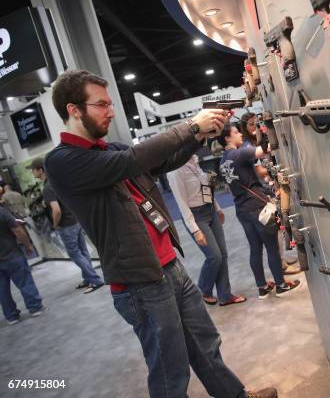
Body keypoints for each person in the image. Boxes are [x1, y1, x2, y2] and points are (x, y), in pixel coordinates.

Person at [44, 69, 276, 398]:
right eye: (101, 105)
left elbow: (161, 160)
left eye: (111, 103)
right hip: (139, 282)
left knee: (205, 345)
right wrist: (191, 126)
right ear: (73, 109)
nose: (110, 111)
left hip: (169, 265)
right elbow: (133, 160)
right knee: (170, 372)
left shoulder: (108, 150)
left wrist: (199, 135)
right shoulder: (62, 161)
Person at [217, 123, 302, 299]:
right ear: (227, 138)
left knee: (255, 248)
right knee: (271, 246)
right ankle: (280, 284)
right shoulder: (239, 153)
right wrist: (265, 132)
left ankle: (262, 287)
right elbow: (267, 149)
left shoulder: (222, 161)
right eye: (235, 132)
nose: (240, 134)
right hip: (256, 206)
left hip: (241, 208)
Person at [167, 154, 246, 306]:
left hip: (210, 210)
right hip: (196, 216)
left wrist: (217, 207)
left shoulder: (194, 160)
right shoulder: (175, 171)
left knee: (222, 254)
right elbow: (181, 204)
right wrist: (195, 230)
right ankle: (203, 288)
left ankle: (225, 295)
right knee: (214, 256)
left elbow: (205, 187)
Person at [29, 157, 104, 294]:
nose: (32, 173)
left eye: (33, 170)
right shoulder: (57, 181)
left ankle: (95, 279)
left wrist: (55, 225)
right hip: (75, 220)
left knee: (75, 254)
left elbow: (56, 210)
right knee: (82, 251)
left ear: (40, 170)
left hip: (66, 225)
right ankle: (88, 278)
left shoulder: (47, 188)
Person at [238, 113, 301, 275]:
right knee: (275, 229)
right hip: (263, 193)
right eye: (251, 125)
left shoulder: (255, 143)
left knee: (279, 228)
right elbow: (259, 171)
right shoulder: (247, 148)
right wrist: (280, 169)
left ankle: (282, 260)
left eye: (256, 124)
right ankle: (281, 265)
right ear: (244, 127)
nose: (255, 128)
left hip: (269, 188)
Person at [0, 204, 45, 325]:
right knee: (25, 281)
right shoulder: (2, 212)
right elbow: (17, 230)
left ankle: (11, 316)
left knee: (2, 290)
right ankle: (35, 308)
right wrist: (28, 246)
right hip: (12, 255)